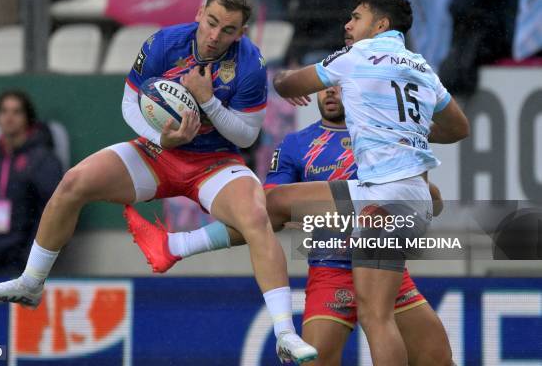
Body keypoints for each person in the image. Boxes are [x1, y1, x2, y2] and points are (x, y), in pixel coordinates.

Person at [0, 0, 318, 364]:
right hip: (157, 152)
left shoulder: (250, 63)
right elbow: (129, 105)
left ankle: (285, 332)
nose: (216, 36)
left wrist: (208, 102)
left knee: (256, 218)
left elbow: (247, 135)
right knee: (73, 182)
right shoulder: (163, 43)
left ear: (242, 32)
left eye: (229, 30)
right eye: (212, 23)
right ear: (201, 12)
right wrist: (162, 137)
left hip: (214, 163)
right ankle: (32, 282)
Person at [126, 86, 453, 365]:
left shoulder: (381, 138)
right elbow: (268, 207)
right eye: (326, 85)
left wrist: (424, 198)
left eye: (340, 85)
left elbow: (427, 204)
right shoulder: (295, 146)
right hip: (331, 269)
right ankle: (176, 246)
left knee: (438, 360)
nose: (331, 91)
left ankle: (178, 245)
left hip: (384, 267)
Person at [268, 0, 469, 366]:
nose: (348, 24)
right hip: (400, 196)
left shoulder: (356, 56)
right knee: (274, 202)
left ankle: (186, 243)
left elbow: (290, 86)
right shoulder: (422, 66)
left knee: (376, 317)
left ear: (380, 25)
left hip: (385, 198)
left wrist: (281, 80)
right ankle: (186, 243)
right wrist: (408, 130)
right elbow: (459, 128)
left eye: (356, 17)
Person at [0, 89, 62, 275]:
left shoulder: (42, 159)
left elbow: (53, 211)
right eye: (4, 111)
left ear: (28, 117)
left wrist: (30, 258)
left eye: (16, 111)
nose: (9, 117)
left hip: (19, 261)